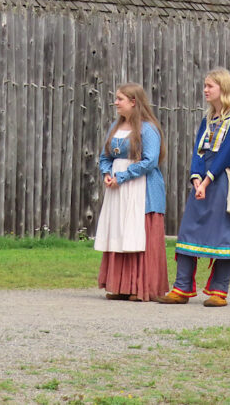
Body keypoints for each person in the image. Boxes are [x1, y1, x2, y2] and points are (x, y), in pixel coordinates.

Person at [156, 68, 230, 307]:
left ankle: (219, 291)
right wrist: (196, 178)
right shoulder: (208, 119)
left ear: (224, 88)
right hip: (204, 184)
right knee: (189, 229)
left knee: (222, 233)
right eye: (205, 85)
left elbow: (228, 153)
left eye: (210, 86)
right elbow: (199, 151)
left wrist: (208, 180)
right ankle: (181, 287)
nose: (205, 90)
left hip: (223, 183)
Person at [95, 83, 170, 302]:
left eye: (120, 99)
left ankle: (141, 287)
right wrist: (107, 173)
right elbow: (105, 156)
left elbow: (150, 161)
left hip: (142, 190)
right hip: (118, 190)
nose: (116, 103)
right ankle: (119, 285)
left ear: (133, 102)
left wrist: (123, 176)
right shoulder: (115, 127)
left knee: (138, 233)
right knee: (119, 231)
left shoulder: (148, 129)